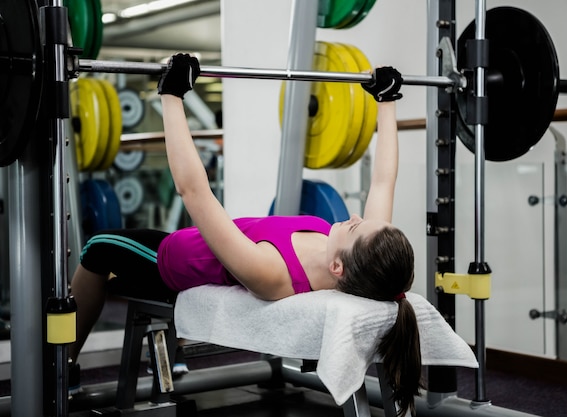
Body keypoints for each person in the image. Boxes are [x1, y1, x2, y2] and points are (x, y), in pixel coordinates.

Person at [68, 54, 422, 416]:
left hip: (169, 261)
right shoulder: (360, 256)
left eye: (357, 227)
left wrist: (171, 95)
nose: (356, 216)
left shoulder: (272, 272)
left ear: (337, 267)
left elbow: (194, 191)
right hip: (190, 242)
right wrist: (387, 101)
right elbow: (382, 181)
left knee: (98, 247)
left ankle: (64, 366)